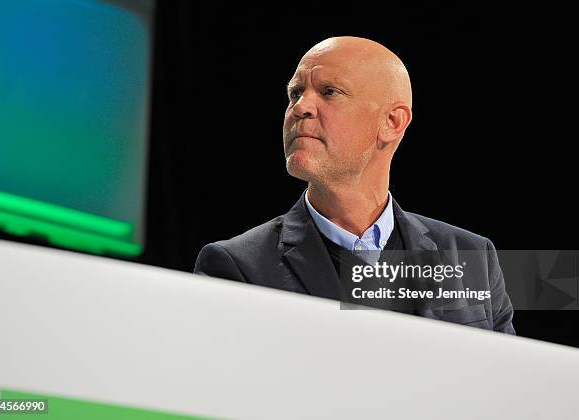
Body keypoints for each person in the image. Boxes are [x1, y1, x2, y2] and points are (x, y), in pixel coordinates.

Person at [194, 36, 515, 334]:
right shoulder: (236, 267)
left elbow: (503, 383)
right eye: (295, 93)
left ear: (392, 122)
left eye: (329, 92)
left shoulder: (472, 256)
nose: (300, 107)